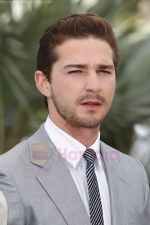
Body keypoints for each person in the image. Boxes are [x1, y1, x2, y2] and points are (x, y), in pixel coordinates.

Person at [0, 13, 149, 225]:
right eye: (76, 71)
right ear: (44, 83)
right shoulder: (8, 176)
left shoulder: (134, 174)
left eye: (104, 70)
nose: (94, 85)